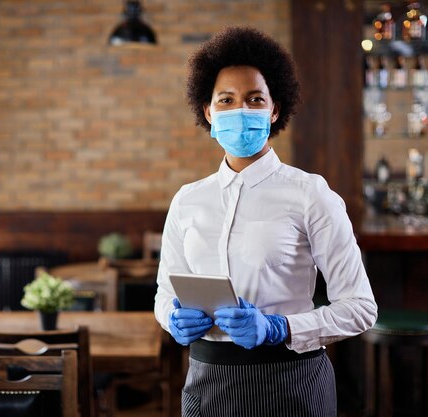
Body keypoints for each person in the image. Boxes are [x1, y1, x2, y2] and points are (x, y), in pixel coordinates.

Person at [154, 26, 377, 417]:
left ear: (274, 110)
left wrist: (280, 328)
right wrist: (172, 318)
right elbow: (163, 293)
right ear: (208, 112)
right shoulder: (188, 200)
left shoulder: (311, 194)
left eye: (254, 99)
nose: (240, 110)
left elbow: (360, 307)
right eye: (226, 100)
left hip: (291, 384)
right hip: (204, 385)